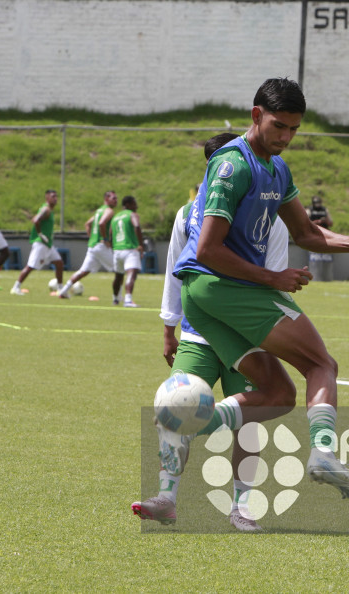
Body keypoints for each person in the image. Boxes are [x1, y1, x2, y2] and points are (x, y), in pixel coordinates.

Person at [174, 77, 349, 505]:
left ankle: (188, 422)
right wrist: (274, 279)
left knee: (278, 395)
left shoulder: (277, 167)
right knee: (321, 364)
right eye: (278, 126)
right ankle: (324, 454)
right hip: (223, 287)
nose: (286, 137)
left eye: (294, 130)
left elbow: (305, 232)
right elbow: (209, 249)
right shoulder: (233, 165)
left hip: (212, 294)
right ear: (256, 116)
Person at [132, 132, 294, 532]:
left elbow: (272, 278)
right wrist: (168, 327)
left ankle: (243, 506)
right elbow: (176, 269)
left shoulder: (269, 220)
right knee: (175, 406)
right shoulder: (189, 213)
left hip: (247, 337)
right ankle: (166, 498)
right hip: (197, 334)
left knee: (248, 422)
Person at [57, 190, 117, 299]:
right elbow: (102, 223)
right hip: (101, 246)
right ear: (106, 199)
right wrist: (105, 239)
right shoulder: (109, 211)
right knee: (119, 269)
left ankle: (63, 291)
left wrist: (92, 237)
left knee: (83, 271)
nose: (116, 201)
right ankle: (118, 298)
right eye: (113, 198)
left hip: (93, 245)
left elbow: (88, 224)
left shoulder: (99, 211)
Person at [11, 190, 64, 295]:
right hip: (41, 243)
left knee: (59, 263)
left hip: (47, 244)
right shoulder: (46, 209)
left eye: (56, 197)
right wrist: (40, 234)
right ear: (47, 198)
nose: (56, 199)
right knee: (30, 266)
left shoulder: (49, 210)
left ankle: (60, 289)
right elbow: (36, 220)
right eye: (53, 196)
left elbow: (36, 219)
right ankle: (16, 287)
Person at [110, 195, 144, 307]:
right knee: (131, 274)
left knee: (118, 276)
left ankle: (115, 299)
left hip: (117, 250)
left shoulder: (115, 217)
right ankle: (128, 300)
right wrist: (140, 244)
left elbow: (110, 234)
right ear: (128, 205)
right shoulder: (132, 214)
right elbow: (137, 226)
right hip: (130, 249)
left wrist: (113, 246)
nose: (137, 206)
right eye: (134, 204)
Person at [306, 195, 334, 281]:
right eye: (316, 203)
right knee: (314, 260)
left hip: (325, 237)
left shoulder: (325, 210)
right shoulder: (309, 210)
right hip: (313, 236)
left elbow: (331, 223)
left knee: (326, 260)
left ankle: (327, 277)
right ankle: (314, 277)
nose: (317, 205)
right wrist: (316, 222)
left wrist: (324, 221)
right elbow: (305, 222)